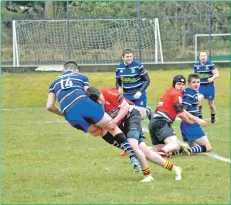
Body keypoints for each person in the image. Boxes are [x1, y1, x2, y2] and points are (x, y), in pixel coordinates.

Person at [46, 61, 138, 175]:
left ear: (64, 70)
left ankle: (126, 149)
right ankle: (133, 155)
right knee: (111, 127)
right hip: (83, 103)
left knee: (99, 131)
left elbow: (49, 106)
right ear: (76, 70)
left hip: (70, 114)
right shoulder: (80, 76)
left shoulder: (54, 83)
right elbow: (90, 93)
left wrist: (64, 114)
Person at [86, 87, 183, 181]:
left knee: (133, 145)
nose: (100, 102)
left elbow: (125, 108)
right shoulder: (92, 106)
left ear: (101, 93)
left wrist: (115, 121)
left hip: (131, 116)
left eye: (100, 99)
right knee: (145, 152)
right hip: (121, 125)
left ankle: (147, 175)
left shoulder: (108, 92)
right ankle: (175, 168)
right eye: (96, 101)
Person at [149, 75, 206, 156]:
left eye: (183, 84)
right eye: (179, 84)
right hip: (161, 122)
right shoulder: (176, 94)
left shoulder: (170, 91)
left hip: (154, 122)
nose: (181, 86)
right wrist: (194, 121)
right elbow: (181, 114)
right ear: (174, 84)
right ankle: (163, 154)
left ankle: (136, 149)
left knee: (156, 149)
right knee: (175, 145)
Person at [180, 73, 212, 155]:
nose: (196, 84)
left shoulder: (189, 92)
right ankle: (182, 151)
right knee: (208, 147)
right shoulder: (190, 94)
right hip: (191, 125)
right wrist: (198, 119)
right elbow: (183, 110)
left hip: (185, 125)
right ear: (189, 83)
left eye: (198, 82)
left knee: (195, 150)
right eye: (194, 82)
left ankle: (179, 151)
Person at [193, 51, 219, 123]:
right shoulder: (196, 65)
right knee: (198, 100)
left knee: (211, 105)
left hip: (209, 87)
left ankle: (213, 118)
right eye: (201, 56)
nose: (203, 57)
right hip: (200, 87)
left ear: (206, 57)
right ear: (199, 57)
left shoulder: (211, 64)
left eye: (204, 55)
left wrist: (212, 78)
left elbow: (217, 73)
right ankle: (200, 116)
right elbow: (194, 76)